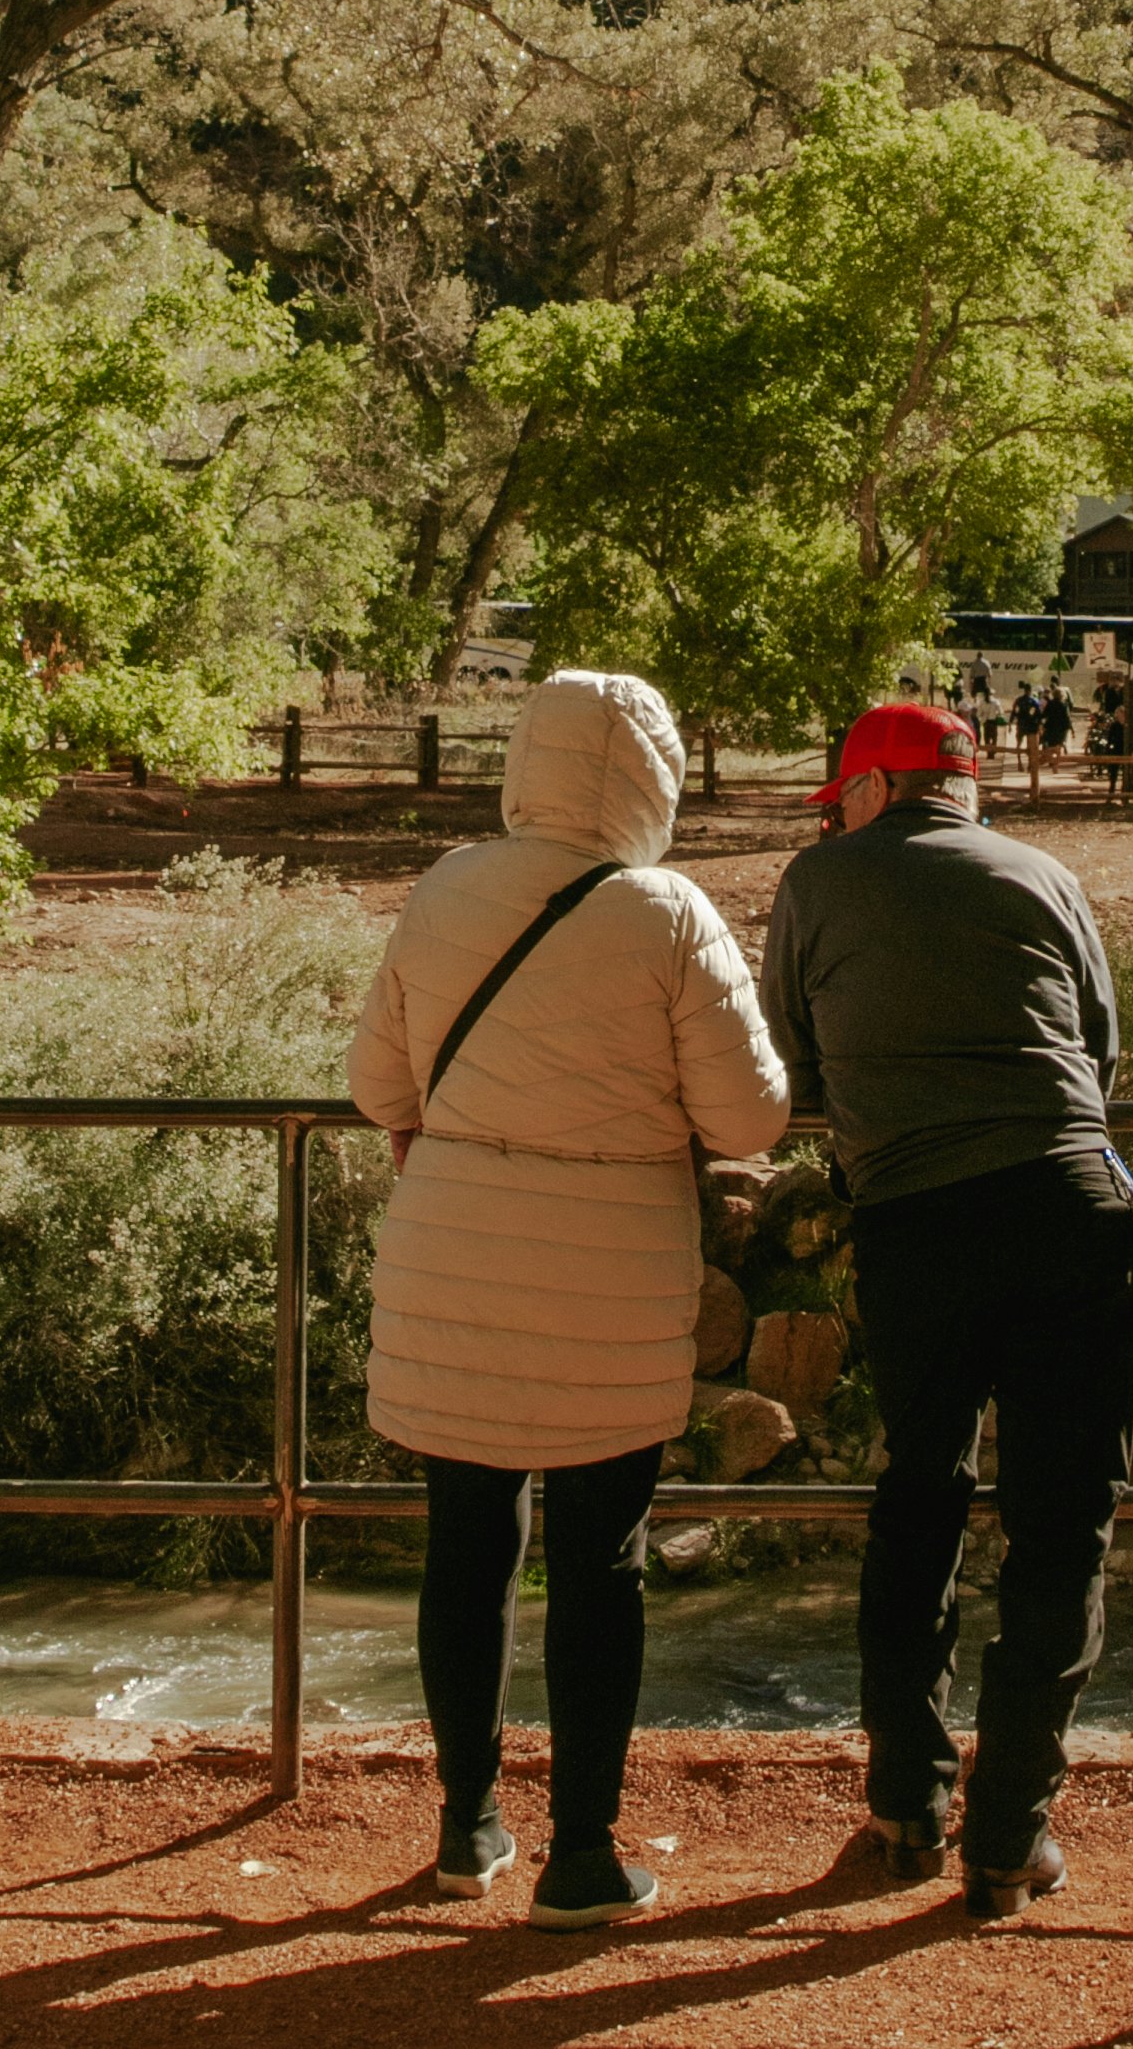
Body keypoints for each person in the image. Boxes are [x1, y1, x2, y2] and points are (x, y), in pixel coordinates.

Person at [349, 669, 788, 1925]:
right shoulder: (667, 910)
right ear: (655, 775)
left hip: (451, 1262)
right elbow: (748, 1112)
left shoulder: (446, 886)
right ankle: (582, 1852)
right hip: (608, 1278)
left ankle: (463, 1824)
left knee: (467, 1549)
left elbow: (376, 1081)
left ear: (522, 759)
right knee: (601, 1559)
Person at [761, 700, 1133, 1922]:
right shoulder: (1046, 873)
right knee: (1062, 1523)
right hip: (1072, 1208)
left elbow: (793, 1066)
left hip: (916, 1222)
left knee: (919, 1490)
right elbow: (1098, 1051)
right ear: (965, 790)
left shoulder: (816, 880)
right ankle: (1009, 1830)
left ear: (869, 789)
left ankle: (906, 1801)